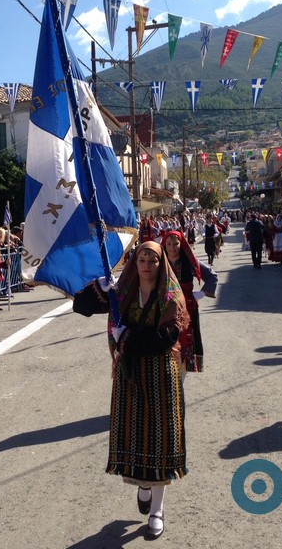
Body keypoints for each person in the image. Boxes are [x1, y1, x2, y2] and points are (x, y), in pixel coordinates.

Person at [73, 241, 190, 540]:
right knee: (138, 438)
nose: (147, 263)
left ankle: (157, 511)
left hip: (162, 374)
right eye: (142, 258)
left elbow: (165, 338)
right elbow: (81, 306)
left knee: (163, 440)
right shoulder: (121, 291)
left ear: (161, 262)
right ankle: (144, 484)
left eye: (153, 258)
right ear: (134, 262)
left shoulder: (171, 295)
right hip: (130, 376)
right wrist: (97, 287)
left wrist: (127, 338)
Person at [161, 230, 218, 375]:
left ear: (181, 244)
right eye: (169, 244)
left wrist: (202, 293)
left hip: (187, 305)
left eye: (175, 243)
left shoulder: (190, 261)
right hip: (165, 307)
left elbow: (212, 275)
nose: (172, 247)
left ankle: (183, 371)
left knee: (187, 337)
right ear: (164, 245)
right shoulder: (159, 262)